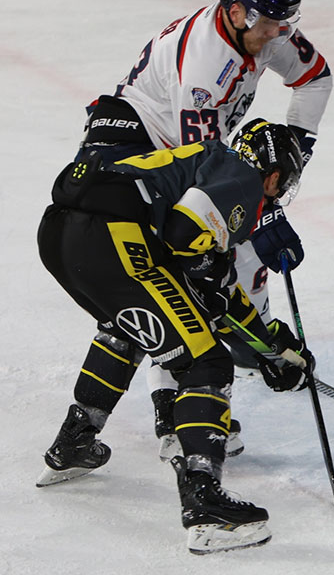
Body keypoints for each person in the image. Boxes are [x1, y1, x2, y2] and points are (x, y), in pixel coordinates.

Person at [77, 0, 332, 459]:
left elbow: (316, 78)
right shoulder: (204, 67)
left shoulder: (260, 30)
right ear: (237, 13)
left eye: (285, 22)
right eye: (269, 23)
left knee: (195, 265)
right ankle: (170, 406)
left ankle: (208, 364)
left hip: (172, 154)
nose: (279, 34)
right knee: (174, 270)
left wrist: (293, 155)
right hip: (135, 155)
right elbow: (211, 175)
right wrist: (262, 217)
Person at [37, 120, 314, 554]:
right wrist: (220, 284)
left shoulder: (206, 162)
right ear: (274, 174)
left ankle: (75, 440)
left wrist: (272, 347)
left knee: (126, 329)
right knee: (206, 363)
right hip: (114, 235)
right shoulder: (241, 175)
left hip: (63, 233)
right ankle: (207, 508)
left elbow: (212, 285)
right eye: (285, 180)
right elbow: (186, 238)